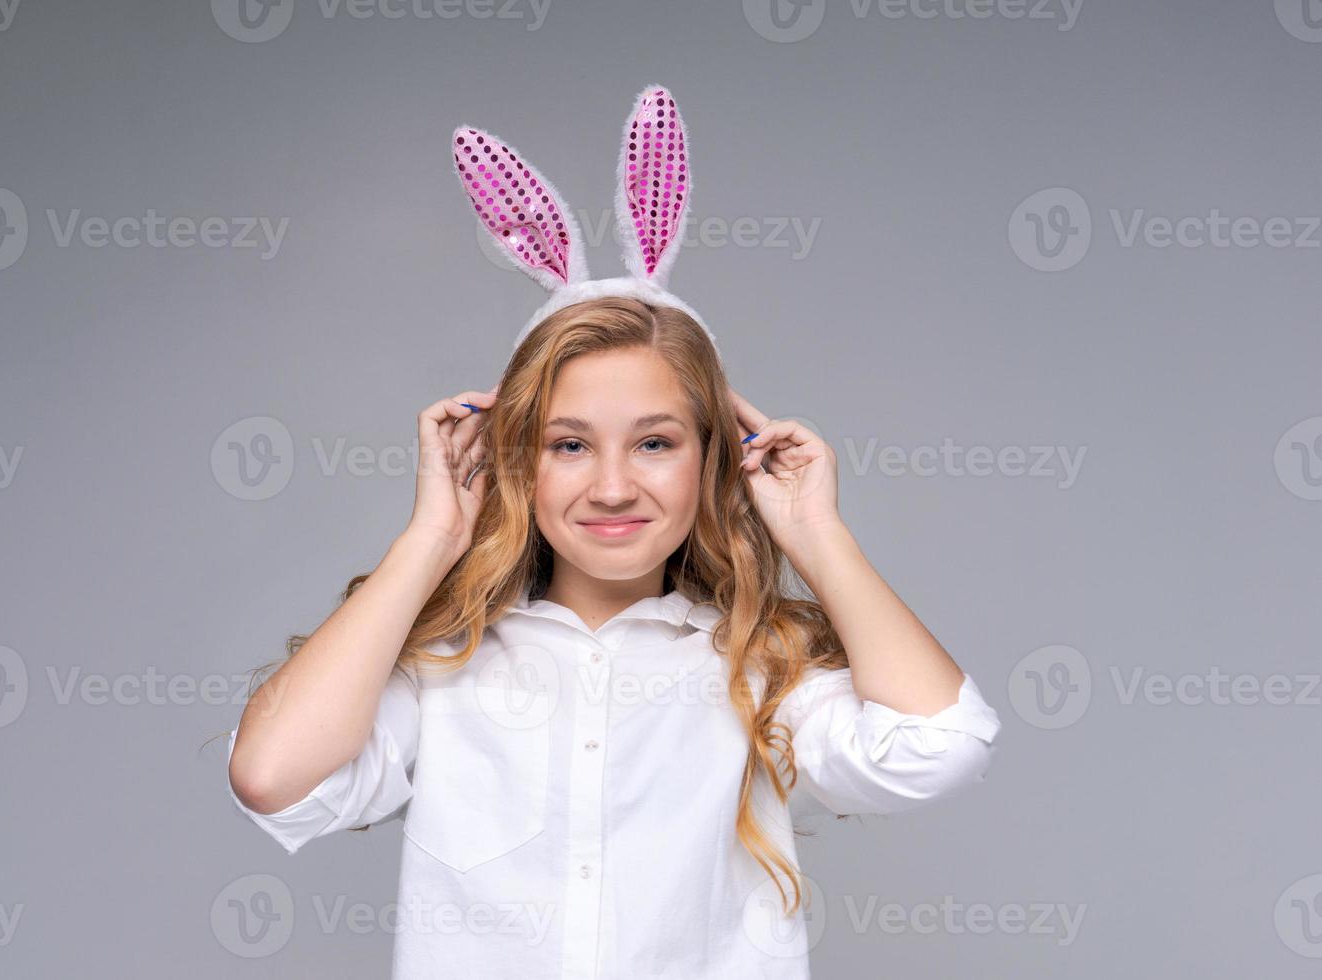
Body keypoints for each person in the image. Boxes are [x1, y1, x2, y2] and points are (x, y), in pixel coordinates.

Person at [223, 296, 1003, 979]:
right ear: (519, 463)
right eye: (569, 444)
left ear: (713, 459)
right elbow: (272, 776)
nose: (612, 486)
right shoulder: (446, 666)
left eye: (655, 443)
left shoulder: (759, 664)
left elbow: (941, 745)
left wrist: (816, 532)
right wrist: (432, 536)